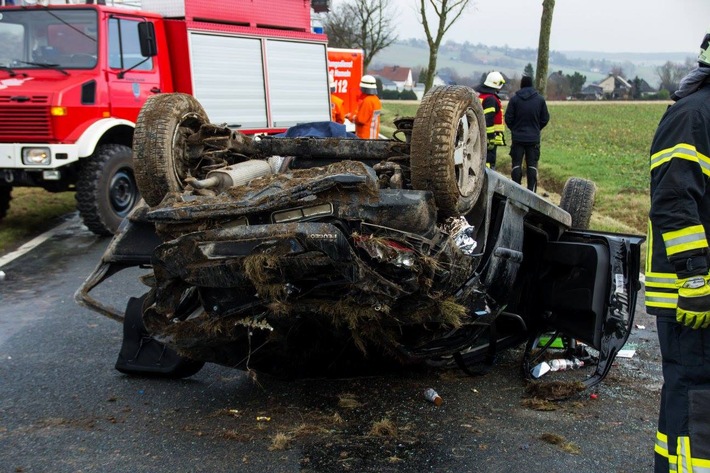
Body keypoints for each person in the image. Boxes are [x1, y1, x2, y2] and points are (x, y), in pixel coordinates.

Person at [645, 26, 710, 473]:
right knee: (695, 394)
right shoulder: (694, 116)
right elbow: (673, 202)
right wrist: (695, 277)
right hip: (691, 293)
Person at [504, 75, 549, 192]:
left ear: (522, 85)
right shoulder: (540, 100)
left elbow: (508, 118)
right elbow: (545, 118)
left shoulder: (514, 100)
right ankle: (531, 191)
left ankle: (516, 189)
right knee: (532, 165)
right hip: (533, 139)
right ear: (532, 85)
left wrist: (514, 129)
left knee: (516, 164)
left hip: (518, 138)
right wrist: (536, 128)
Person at [474, 71, 506, 170]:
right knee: (488, 162)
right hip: (489, 137)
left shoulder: (482, 97)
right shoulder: (491, 99)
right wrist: (490, 139)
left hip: (480, 134)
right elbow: (488, 120)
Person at [346, 75, 382, 139]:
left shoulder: (367, 101)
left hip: (364, 137)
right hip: (373, 136)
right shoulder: (376, 100)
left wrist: (350, 117)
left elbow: (360, 120)